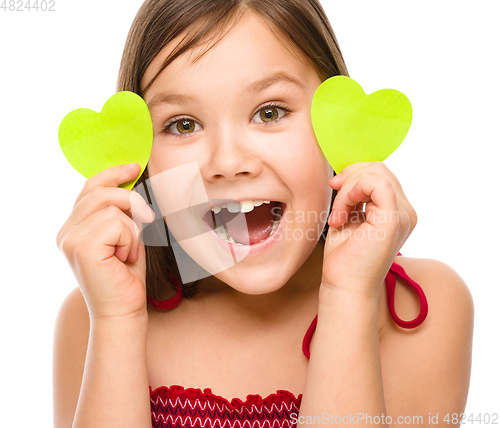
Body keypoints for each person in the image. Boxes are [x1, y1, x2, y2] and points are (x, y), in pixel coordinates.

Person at [53, 1, 474, 427]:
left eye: (269, 112)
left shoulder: (424, 308)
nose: (229, 161)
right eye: (183, 125)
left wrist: (349, 296)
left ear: (338, 125)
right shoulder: (94, 317)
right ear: (140, 155)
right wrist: (117, 322)